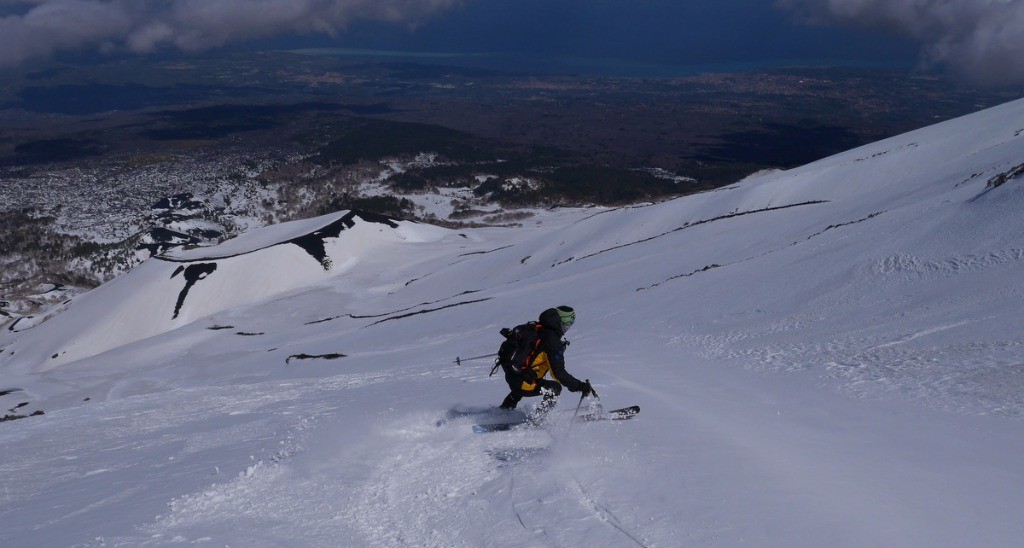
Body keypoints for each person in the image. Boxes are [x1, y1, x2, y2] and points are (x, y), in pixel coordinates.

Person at [498, 305, 593, 419]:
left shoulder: (537, 327)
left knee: (528, 378)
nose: (566, 329)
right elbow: (558, 373)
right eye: (567, 326)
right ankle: (540, 419)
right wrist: (580, 386)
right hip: (523, 383)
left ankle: (504, 411)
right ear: (561, 323)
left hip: (513, 373)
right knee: (555, 388)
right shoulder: (553, 342)